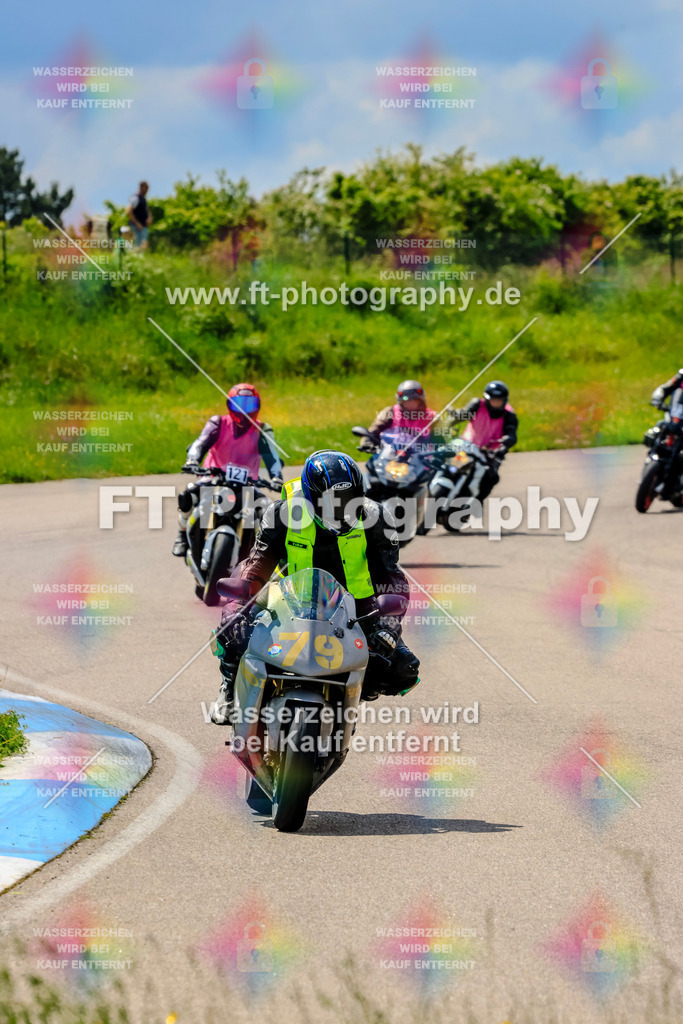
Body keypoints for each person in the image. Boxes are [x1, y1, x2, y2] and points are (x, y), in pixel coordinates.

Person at [209, 450, 420, 725]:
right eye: (333, 501)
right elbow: (256, 565)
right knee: (232, 628)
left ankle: (347, 697)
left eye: (350, 499)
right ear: (311, 496)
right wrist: (240, 603)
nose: (342, 508)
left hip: (357, 605)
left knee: (403, 668)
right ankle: (230, 686)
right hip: (286, 596)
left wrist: (390, 623)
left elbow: (393, 577)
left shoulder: (378, 518)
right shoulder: (281, 514)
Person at [172, 383, 284, 557]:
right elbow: (200, 443)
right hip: (213, 477)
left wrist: (277, 477)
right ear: (229, 405)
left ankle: (267, 554)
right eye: (238, 404)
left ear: (258, 407)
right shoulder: (218, 423)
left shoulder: (263, 430)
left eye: (250, 405)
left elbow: (273, 457)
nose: (244, 410)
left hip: (249, 483)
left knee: (268, 510)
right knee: (188, 495)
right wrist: (192, 459)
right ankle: (182, 535)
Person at [445, 381, 518, 502]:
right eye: (493, 400)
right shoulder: (477, 404)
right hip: (467, 446)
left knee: (491, 477)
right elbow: (463, 414)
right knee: (445, 462)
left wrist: (505, 444)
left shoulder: (509, 415)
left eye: (499, 400)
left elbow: (511, 434)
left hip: (490, 453)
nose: (496, 403)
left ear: (504, 400)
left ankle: (475, 502)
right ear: (487, 399)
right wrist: (452, 418)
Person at [360, 379, 438, 450]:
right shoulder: (390, 412)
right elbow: (374, 430)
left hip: (422, 462)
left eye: (414, 400)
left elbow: (442, 440)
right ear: (401, 402)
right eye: (407, 401)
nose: (410, 404)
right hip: (391, 459)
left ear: (421, 400)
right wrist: (367, 442)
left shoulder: (432, 417)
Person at [126, 181, 152, 249]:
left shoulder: (143, 198)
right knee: (136, 246)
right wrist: (137, 223)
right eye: (146, 188)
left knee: (143, 246)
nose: (147, 190)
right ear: (141, 187)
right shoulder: (135, 197)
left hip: (143, 226)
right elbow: (129, 211)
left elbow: (146, 209)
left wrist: (149, 217)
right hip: (136, 227)